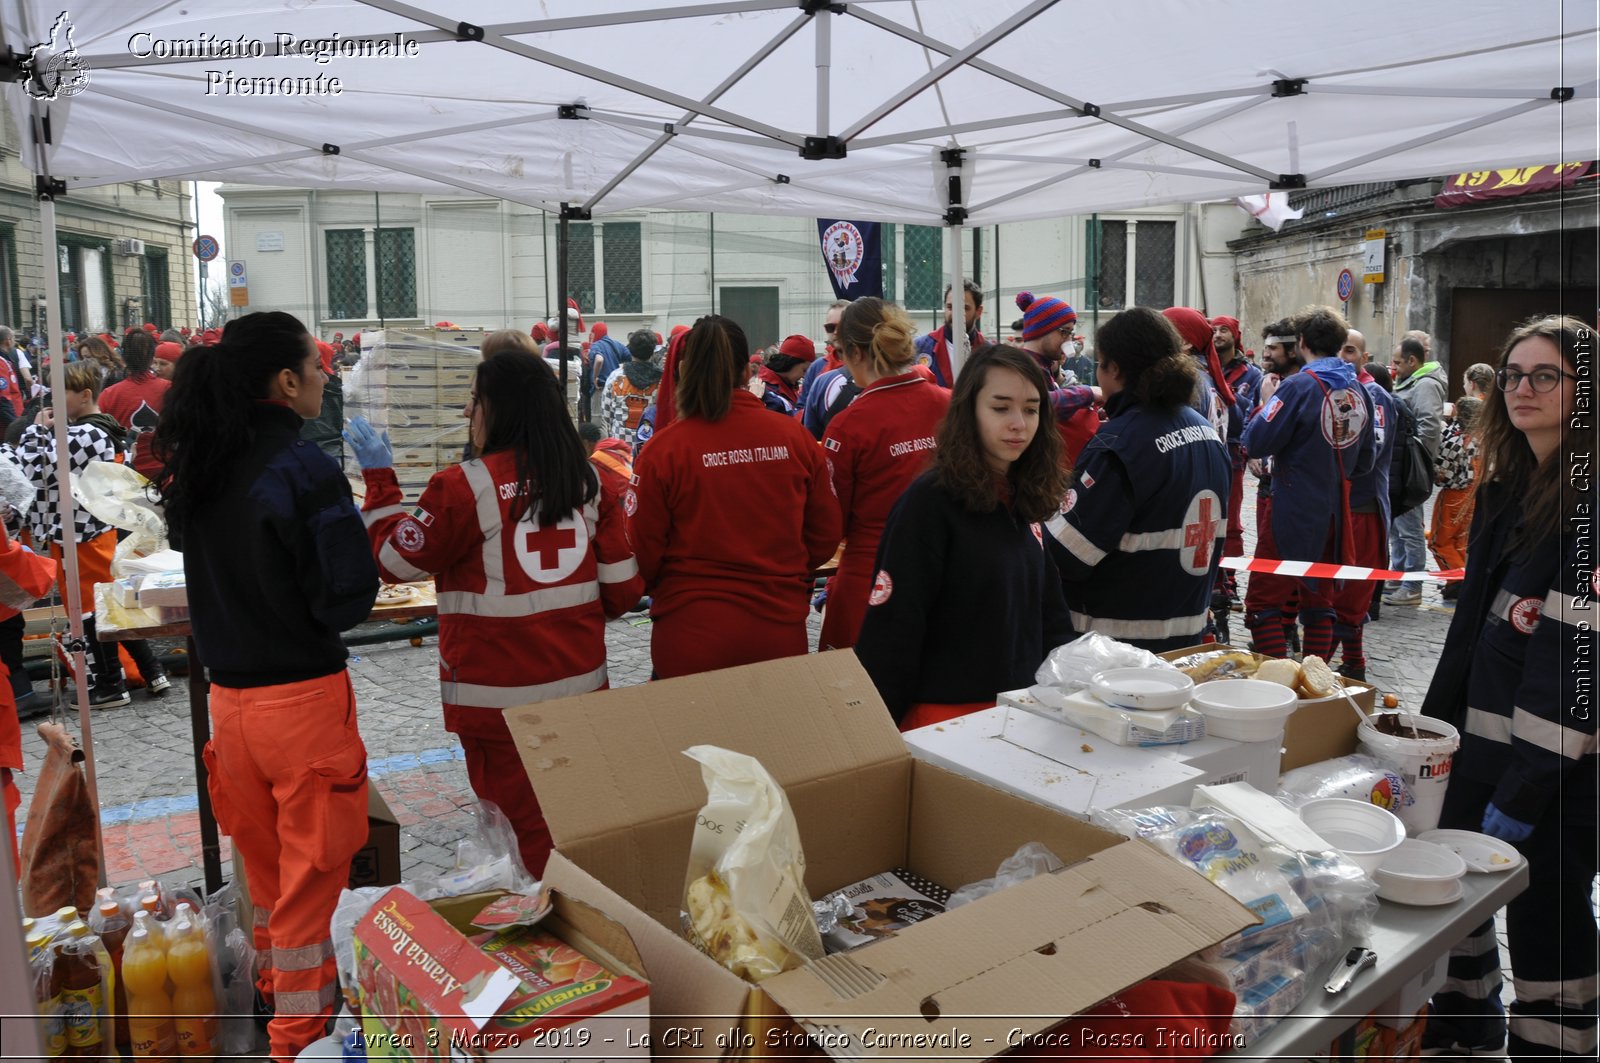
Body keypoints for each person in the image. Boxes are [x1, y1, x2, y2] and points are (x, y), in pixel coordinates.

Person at [150, 311, 378, 1061]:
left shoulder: (206, 460)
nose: (326, 377)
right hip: (303, 706)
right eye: (317, 366)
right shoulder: (303, 466)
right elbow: (346, 596)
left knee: (276, 889)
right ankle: (295, 1044)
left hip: (231, 710)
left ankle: (284, 1015)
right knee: (309, 898)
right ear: (286, 380)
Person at [350, 353, 640, 876]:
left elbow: (394, 562)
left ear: (500, 409)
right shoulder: (590, 481)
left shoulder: (463, 487)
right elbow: (622, 591)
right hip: (580, 693)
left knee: (524, 841)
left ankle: (547, 933)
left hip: (498, 707)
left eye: (475, 399)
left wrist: (380, 481)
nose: (466, 411)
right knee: (576, 821)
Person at [1420, 315, 1595, 1062]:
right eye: (1514, 374)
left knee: (1548, 921)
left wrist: (1524, 793)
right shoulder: (1509, 487)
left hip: (1556, 775)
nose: (1523, 388)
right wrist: (1435, 731)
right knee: (1459, 903)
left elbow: (1575, 674)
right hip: (1481, 755)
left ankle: (1555, 1047)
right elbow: (1469, 642)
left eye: (1546, 375)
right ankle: (1466, 1026)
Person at [856, 344, 1073, 729]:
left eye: (1030, 408)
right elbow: (893, 630)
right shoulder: (929, 501)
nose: (1018, 423)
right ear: (970, 409)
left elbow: (1049, 610)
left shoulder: (1022, 495)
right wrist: (877, 733)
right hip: (946, 719)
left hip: (1021, 712)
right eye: (1000, 407)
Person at [628, 316, 840, 679]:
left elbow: (642, 552)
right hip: (778, 634)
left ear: (682, 369)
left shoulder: (662, 452)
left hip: (689, 637)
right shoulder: (795, 439)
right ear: (747, 371)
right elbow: (825, 535)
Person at [1045, 307, 1230, 650]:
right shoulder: (1206, 432)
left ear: (1115, 367)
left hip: (1115, 652)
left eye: (1100, 364)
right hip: (1186, 639)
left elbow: (1066, 555)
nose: (1098, 375)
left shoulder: (1120, 445)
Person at [9, 361, 171, 706]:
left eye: (59, 392)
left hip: (78, 533)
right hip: (93, 529)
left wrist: (35, 431)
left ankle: (111, 683)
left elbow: (34, 472)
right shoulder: (102, 429)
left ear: (84, 396)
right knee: (106, 601)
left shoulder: (83, 434)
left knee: (88, 609)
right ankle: (151, 669)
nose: (51, 399)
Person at [1241, 306, 1376, 661]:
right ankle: (1314, 683)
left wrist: (1267, 403)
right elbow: (1365, 462)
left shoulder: (1297, 387)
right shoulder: (1360, 391)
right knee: (1319, 602)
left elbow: (1255, 442)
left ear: (1301, 343)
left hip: (1291, 508)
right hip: (1335, 512)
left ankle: (1281, 684)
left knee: (1261, 603)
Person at [817, 298, 949, 651]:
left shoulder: (847, 426)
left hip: (871, 577)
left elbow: (829, 524)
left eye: (841, 352)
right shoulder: (951, 405)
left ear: (856, 353)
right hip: (946, 572)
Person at [1330, 329, 1396, 680]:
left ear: (1364, 356)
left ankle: (1328, 667)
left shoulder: (1373, 394)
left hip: (1361, 508)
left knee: (1347, 595)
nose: (1343, 356)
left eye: (1351, 350)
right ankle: (1352, 662)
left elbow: (1366, 455)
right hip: (1340, 506)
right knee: (1333, 592)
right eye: (1338, 350)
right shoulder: (1341, 389)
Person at [1383, 334, 1446, 605]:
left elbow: (1429, 425)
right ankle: (1398, 575)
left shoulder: (1426, 385)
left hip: (1409, 468)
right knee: (1397, 527)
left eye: (1398, 362)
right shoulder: (1412, 381)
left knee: (1409, 529)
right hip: (1401, 466)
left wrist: (1416, 460)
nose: (1394, 367)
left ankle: (1413, 586)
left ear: (1412, 360)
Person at [99, 330, 171, 482]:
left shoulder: (109, 394)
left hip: (125, 476)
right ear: (152, 357)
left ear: (124, 357)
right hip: (164, 474)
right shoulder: (170, 390)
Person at [1428, 394, 1481, 599]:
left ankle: (1458, 580)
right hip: (1474, 494)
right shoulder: (1484, 438)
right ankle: (1457, 580)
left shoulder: (1455, 440)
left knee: (1439, 542)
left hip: (1454, 495)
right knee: (1461, 541)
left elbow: (1441, 474)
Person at [912, 279, 988, 388]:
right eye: (950, 307)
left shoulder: (989, 353)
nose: (955, 314)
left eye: (964, 308)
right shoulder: (920, 347)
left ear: (978, 312)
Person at [599, 330, 663, 449]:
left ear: (630, 349)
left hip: (620, 445)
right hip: (651, 445)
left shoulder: (615, 377)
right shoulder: (662, 380)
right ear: (653, 351)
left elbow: (606, 414)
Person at [753, 334, 816, 416]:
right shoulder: (765, 388)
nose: (804, 376)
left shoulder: (787, 386)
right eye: (804, 370)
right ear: (791, 363)